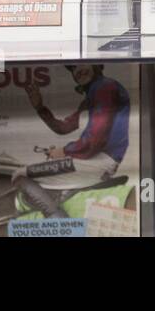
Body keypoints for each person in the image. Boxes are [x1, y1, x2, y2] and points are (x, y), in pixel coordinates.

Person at [16, 65, 131, 218]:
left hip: (101, 160)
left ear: (96, 65)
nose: (78, 70)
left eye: (81, 65)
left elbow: (95, 138)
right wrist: (40, 107)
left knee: (19, 175)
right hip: (94, 160)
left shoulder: (105, 87)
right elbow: (63, 127)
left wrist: (64, 151)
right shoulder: (91, 96)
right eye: (73, 69)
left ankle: (60, 222)